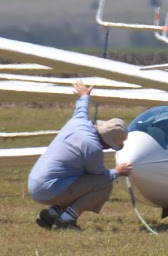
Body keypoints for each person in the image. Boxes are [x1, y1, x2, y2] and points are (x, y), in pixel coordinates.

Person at [27, 79, 132, 231]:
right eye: (110, 146)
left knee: (82, 178)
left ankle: (52, 213)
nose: (109, 149)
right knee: (105, 185)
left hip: (36, 183)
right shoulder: (92, 148)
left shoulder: (79, 120)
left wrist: (84, 94)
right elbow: (100, 178)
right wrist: (118, 172)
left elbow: (82, 106)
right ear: (107, 142)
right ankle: (67, 220)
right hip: (48, 189)